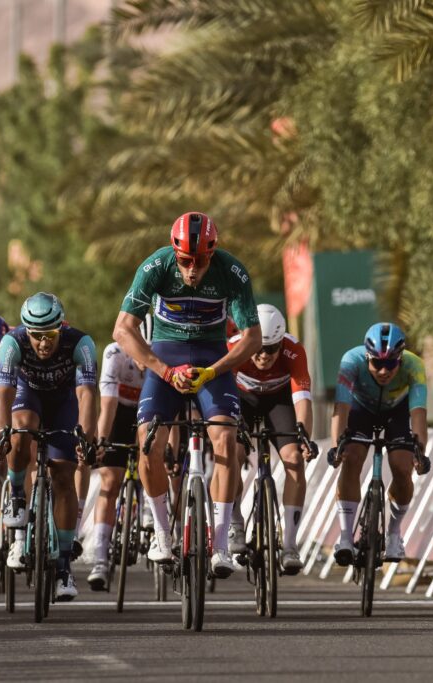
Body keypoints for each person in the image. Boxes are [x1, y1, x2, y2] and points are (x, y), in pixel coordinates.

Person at [112, 211, 261, 579]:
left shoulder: (232, 271)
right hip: (167, 358)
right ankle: (162, 534)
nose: (193, 270)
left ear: (213, 253)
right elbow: (123, 330)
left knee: (225, 440)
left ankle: (221, 544)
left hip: (212, 361)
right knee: (149, 443)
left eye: (201, 261)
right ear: (174, 254)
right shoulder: (156, 266)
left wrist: (214, 371)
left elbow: (253, 339)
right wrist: (164, 371)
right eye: (185, 261)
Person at [0, 292, 99, 600]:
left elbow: (87, 395)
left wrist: (86, 438)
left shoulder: (80, 343)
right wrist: (2, 434)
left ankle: (64, 567)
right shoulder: (12, 343)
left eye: (50, 335)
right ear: (26, 331)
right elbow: (4, 395)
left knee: (65, 477)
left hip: (64, 401)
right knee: (21, 428)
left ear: (60, 328)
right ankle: (17, 495)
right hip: (28, 394)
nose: (43, 343)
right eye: (36, 335)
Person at [330, 322, 428, 565]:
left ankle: (394, 534)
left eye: (391, 364)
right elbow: (341, 408)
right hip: (360, 408)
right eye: (377, 363)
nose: (384, 371)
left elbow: (418, 413)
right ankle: (345, 537)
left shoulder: (414, 365)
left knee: (403, 467)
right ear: (367, 357)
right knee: (351, 458)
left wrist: (420, 451)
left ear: (400, 359)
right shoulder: (351, 361)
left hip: (397, 411)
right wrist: (337, 445)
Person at [230, 303, 317, 572]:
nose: (264, 355)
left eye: (272, 348)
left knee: (294, 460)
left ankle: (289, 545)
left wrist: (304, 435)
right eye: (258, 347)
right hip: (241, 399)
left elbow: (302, 398)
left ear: (281, 343)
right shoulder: (233, 347)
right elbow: (223, 395)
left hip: (278, 401)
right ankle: (235, 521)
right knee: (233, 453)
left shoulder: (294, 350)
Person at [86, 314, 152, 591]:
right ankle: (100, 558)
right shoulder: (115, 354)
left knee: (155, 460)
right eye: (141, 348)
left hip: (150, 413)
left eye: (151, 349)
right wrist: (102, 442)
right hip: (120, 412)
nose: (145, 356)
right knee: (110, 481)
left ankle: (149, 508)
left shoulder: (162, 357)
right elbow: (108, 405)